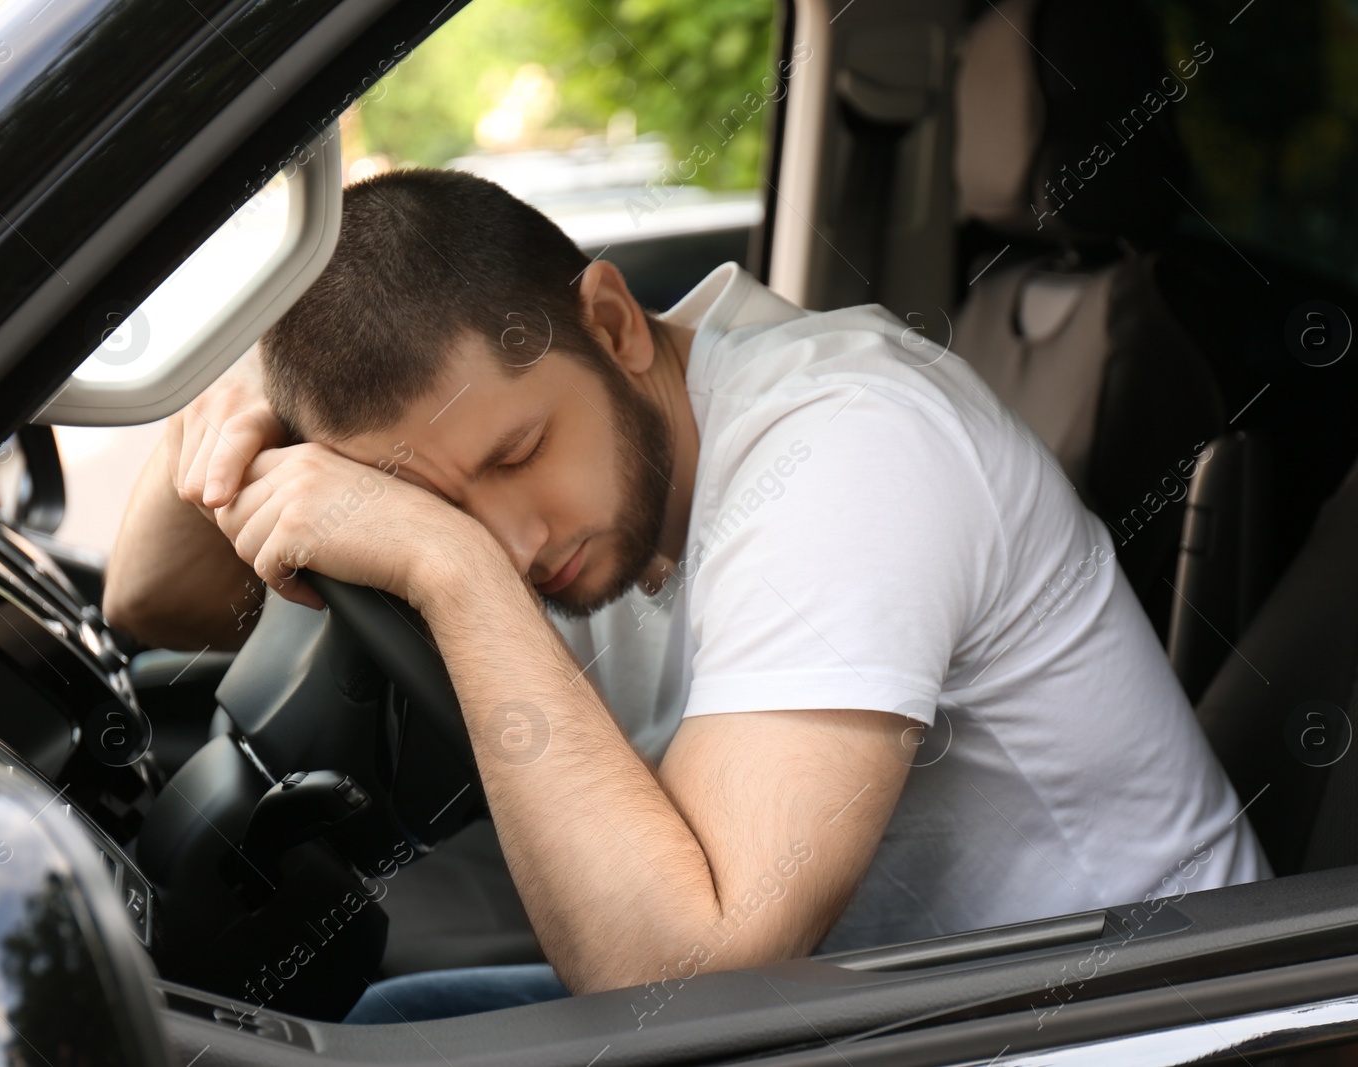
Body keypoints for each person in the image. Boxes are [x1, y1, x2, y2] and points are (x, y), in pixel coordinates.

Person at [103, 168, 1269, 1023]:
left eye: (518, 453)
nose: (514, 537)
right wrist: (247, 387)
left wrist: (445, 564)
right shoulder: (564, 459)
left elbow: (680, 981)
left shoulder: (849, 448)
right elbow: (153, 595)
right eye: (444, 503)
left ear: (613, 324)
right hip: (886, 1003)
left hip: (1123, 1022)